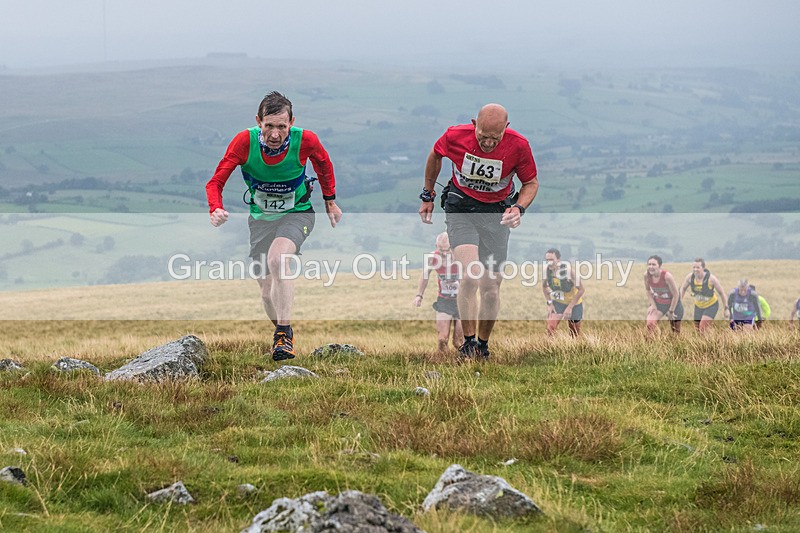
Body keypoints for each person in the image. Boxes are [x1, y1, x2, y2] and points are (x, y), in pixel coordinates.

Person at [205, 91, 342, 361]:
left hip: (298, 213)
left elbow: (324, 165)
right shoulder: (244, 142)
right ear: (258, 121)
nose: (276, 134)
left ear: (292, 122)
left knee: (279, 259)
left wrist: (330, 200)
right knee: (267, 294)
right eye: (269, 126)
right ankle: (282, 331)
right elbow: (215, 182)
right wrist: (215, 208)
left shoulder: (306, 140)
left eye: (282, 126)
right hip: (260, 221)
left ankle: (282, 334)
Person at [418, 103, 538, 359]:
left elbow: (530, 182)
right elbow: (435, 155)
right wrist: (427, 194)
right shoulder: (455, 135)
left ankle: (482, 346)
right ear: (474, 125)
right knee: (471, 275)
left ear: (506, 129)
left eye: (495, 138)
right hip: (461, 207)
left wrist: (519, 208)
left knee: (492, 288)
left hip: (497, 213)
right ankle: (468, 344)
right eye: (483, 137)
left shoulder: (519, 145)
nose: (488, 144)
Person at [413, 232, 464, 353]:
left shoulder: (462, 257)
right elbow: (425, 276)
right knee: (442, 340)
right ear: (436, 246)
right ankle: (444, 365)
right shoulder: (433, 258)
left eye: (447, 250)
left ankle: (464, 365)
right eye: (441, 250)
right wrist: (419, 295)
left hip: (463, 302)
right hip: (444, 301)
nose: (444, 254)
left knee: (459, 342)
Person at [542, 248, 585, 337]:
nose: (549, 263)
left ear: (558, 260)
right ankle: (551, 349)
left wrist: (569, 308)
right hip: (558, 302)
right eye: (547, 260)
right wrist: (550, 304)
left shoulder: (568, 272)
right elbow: (544, 287)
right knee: (550, 328)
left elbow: (581, 289)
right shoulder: (547, 272)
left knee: (574, 334)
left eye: (551, 260)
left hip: (574, 304)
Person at [679, 258, 728, 333]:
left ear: (703, 268)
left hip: (711, 306)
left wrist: (726, 309)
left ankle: (709, 343)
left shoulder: (711, 279)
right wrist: (678, 303)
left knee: (702, 327)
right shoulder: (690, 278)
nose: (695, 269)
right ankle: (705, 341)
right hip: (698, 306)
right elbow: (683, 289)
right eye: (694, 267)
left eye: (698, 267)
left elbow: (722, 293)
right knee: (697, 330)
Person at [643, 255, 683, 334]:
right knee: (650, 324)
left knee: (675, 331)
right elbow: (648, 291)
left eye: (654, 264)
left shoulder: (667, 276)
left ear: (659, 266)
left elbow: (676, 295)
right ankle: (653, 343)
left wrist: (671, 312)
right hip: (659, 303)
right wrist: (653, 305)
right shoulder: (646, 275)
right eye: (649, 264)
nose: (651, 267)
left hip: (673, 304)